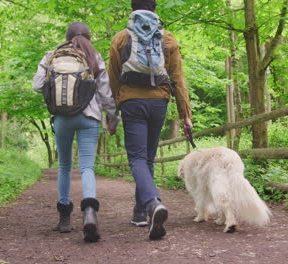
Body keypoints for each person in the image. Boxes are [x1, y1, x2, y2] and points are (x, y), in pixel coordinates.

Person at [108, 0, 193, 240]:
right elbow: (178, 78)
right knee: (148, 158)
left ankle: (153, 203)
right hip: (159, 102)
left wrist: (112, 113)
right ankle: (140, 213)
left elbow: (113, 79)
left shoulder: (121, 38)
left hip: (131, 102)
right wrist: (185, 115)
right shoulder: (168, 38)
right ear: (155, 9)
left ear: (132, 9)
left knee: (136, 158)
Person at [32, 21, 119, 243]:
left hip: (62, 118)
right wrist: (112, 117)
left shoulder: (51, 56)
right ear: (88, 36)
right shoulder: (93, 57)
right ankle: (89, 213)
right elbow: (105, 93)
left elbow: (37, 85)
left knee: (64, 166)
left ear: (67, 35)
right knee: (87, 167)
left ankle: (64, 218)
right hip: (89, 117)